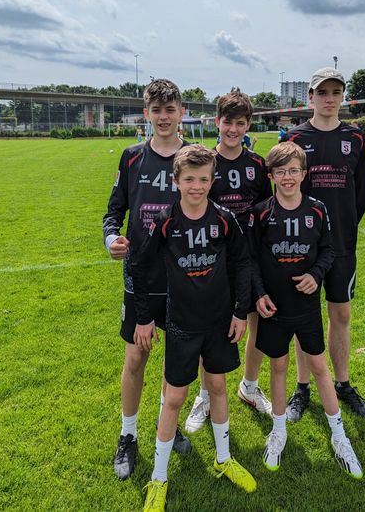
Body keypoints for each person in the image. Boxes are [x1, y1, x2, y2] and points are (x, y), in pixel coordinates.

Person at [131, 145, 257, 511]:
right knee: (174, 398)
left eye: (203, 179)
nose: (196, 186)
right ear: (176, 181)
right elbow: (140, 266)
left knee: (217, 386)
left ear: (212, 180)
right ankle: (158, 478)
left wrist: (240, 312)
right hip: (182, 325)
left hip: (218, 323)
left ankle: (223, 459)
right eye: (189, 179)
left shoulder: (223, 219)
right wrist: (144, 317)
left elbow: (243, 262)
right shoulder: (165, 221)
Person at [249, 142, 363, 478]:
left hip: (306, 308)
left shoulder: (317, 209)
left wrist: (315, 275)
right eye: (280, 171)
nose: (287, 177)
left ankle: (339, 435)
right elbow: (251, 260)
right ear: (271, 176)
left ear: (304, 173)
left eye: (293, 170)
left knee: (319, 366)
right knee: (279, 366)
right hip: (273, 308)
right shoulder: (261, 213)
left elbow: (328, 251)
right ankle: (278, 430)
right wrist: (259, 294)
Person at [102, 79, 192, 481]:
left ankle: (166, 423)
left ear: (182, 112)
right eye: (157, 110)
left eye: (170, 109)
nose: (164, 117)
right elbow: (114, 212)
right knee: (136, 357)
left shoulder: (194, 157)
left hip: (184, 276)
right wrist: (111, 239)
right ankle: (128, 434)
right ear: (146, 114)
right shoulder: (132, 157)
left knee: (176, 358)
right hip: (140, 275)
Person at [281, 67, 365, 420]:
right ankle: (302, 388)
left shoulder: (357, 137)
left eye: (336, 92)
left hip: (342, 245)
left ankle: (343, 384)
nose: (329, 99)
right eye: (322, 92)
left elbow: (361, 194)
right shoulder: (293, 138)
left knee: (341, 313)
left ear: (342, 96)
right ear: (311, 97)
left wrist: (343, 226)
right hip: (302, 246)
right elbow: (285, 190)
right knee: (303, 314)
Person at [185, 92, 273, 433]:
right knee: (212, 326)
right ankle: (205, 395)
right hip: (215, 258)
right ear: (216, 122)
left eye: (240, 123)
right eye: (227, 122)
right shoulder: (205, 163)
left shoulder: (257, 165)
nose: (233, 129)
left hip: (251, 257)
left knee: (256, 320)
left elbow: (266, 210)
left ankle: (249, 385)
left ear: (248, 125)